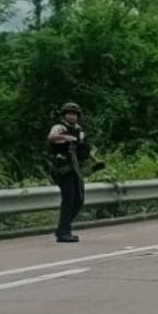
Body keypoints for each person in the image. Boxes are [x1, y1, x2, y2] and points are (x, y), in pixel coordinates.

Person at [48, 102, 103, 243]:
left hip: (75, 168)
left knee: (79, 200)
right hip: (62, 168)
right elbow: (52, 138)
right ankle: (64, 233)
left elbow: (84, 149)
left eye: (74, 114)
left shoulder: (79, 130)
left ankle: (63, 228)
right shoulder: (59, 128)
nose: (72, 116)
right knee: (69, 200)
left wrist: (95, 160)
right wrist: (66, 138)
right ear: (64, 115)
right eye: (69, 113)